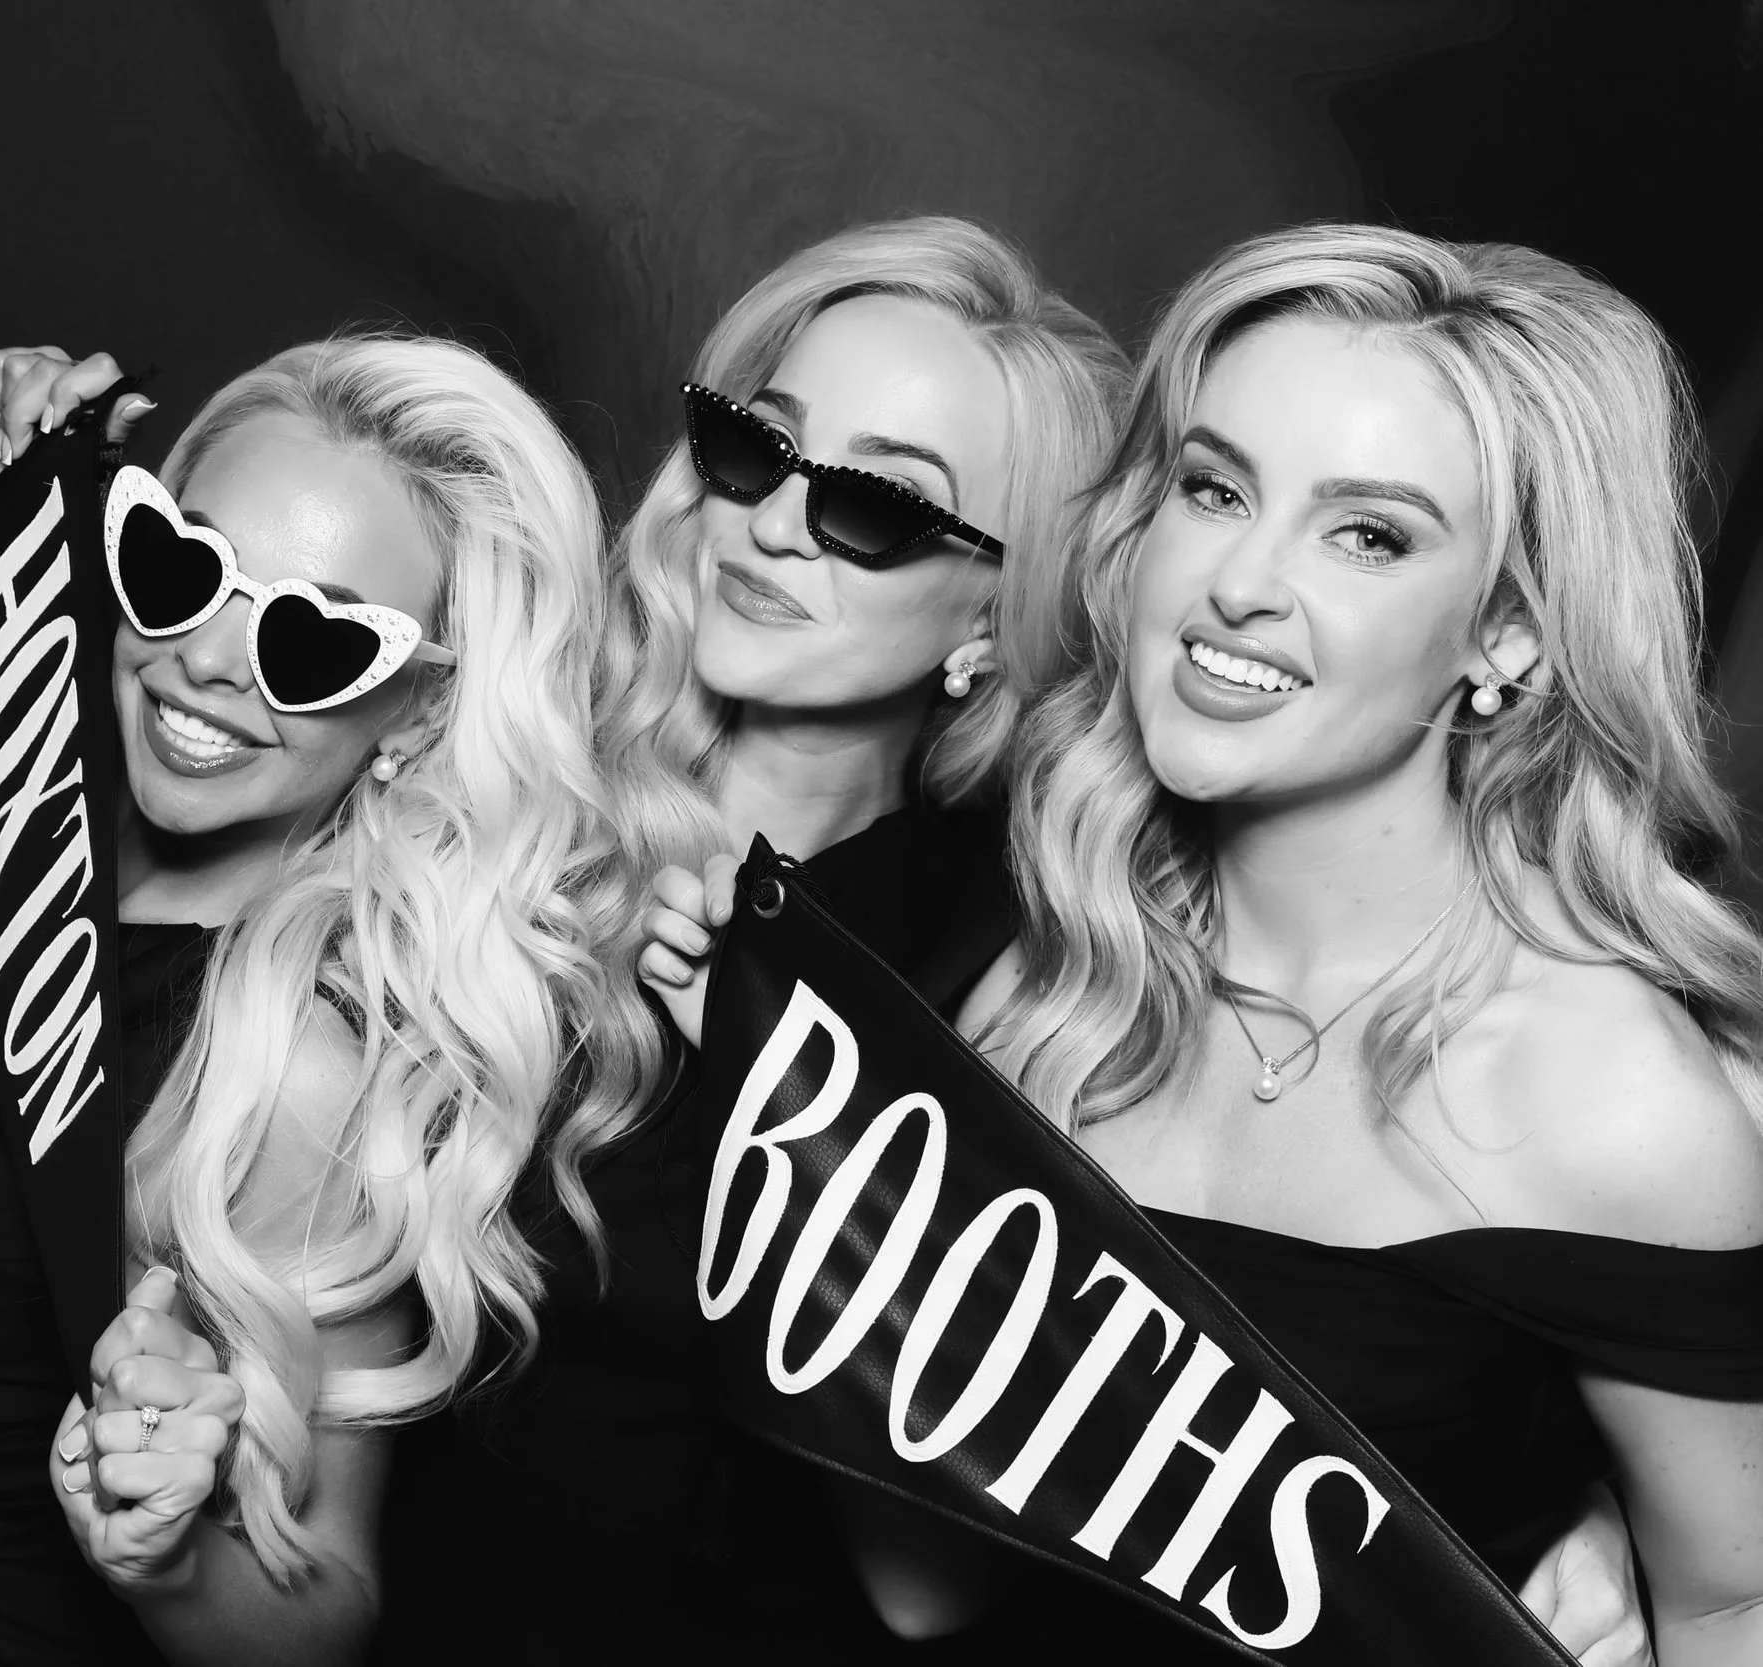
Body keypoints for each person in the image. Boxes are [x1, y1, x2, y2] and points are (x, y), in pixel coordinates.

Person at [637, 224, 1694, 1665]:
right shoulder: (1030, 966)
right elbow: (930, 1583)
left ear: (1502, 636)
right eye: (1214, 488)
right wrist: (782, 1133)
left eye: (1368, 532)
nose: (1242, 583)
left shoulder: (1616, 1098)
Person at [0, 334, 666, 1665]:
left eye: (313, 636)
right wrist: (3, 478)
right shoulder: (42, 838)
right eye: (180, 565)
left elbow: (329, 1606)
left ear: (413, 710)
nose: (209, 659)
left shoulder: (289, 1056)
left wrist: (162, 1552)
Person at [374, 216, 1130, 1663]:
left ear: (993, 616)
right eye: (759, 446)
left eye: (880, 506)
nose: (780, 519)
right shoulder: (498, 751)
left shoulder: (1006, 985)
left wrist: (781, 1084)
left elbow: (948, 1560)